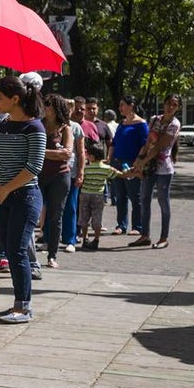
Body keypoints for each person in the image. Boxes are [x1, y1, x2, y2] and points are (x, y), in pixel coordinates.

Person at [0, 74, 45, 324]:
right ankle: (17, 304)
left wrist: (7, 188)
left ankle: (24, 307)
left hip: (25, 197)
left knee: (17, 251)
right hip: (3, 197)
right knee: (11, 250)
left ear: (16, 98)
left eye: (0, 98)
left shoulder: (34, 127)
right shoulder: (1, 125)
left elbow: (33, 167)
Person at [129, 93, 181, 249]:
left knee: (163, 201)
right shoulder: (154, 120)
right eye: (168, 103)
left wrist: (142, 162)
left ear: (178, 108)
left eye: (174, 105)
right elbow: (147, 143)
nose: (170, 107)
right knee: (144, 199)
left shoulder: (175, 124)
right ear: (163, 104)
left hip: (163, 168)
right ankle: (145, 235)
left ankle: (163, 237)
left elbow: (159, 147)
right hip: (148, 167)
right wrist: (138, 160)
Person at [37, 94, 72, 269]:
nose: (45, 107)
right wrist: (53, 153)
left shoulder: (65, 128)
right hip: (38, 175)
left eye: (49, 105)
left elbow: (67, 153)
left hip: (60, 176)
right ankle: (33, 251)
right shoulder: (39, 125)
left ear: (57, 107)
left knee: (55, 215)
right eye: (44, 104)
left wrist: (41, 152)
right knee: (33, 212)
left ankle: (52, 255)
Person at [108, 95, 149, 235]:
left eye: (122, 105)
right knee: (120, 195)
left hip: (132, 163)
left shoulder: (141, 124)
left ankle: (137, 227)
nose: (120, 108)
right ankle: (121, 225)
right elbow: (114, 142)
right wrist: (109, 158)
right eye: (119, 105)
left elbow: (145, 145)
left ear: (131, 105)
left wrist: (139, 162)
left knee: (134, 195)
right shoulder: (122, 123)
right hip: (117, 162)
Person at [79, 139, 120, 250]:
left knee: (84, 218)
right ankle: (96, 240)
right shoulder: (106, 169)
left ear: (92, 157)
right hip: (98, 195)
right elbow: (119, 174)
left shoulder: (86, 169)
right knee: (97, 218)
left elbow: (81, 179)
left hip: (85, 194)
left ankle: (85, 239)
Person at [61, 98, 86, 252]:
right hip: (54, 172)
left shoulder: (75, 127)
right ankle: (50, 238)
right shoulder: (51, 125)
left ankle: (70, 239)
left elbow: (81, 152)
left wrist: (81, 172)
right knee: (53, 206)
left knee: (71, 206)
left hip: (71, 171)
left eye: (70, 107)